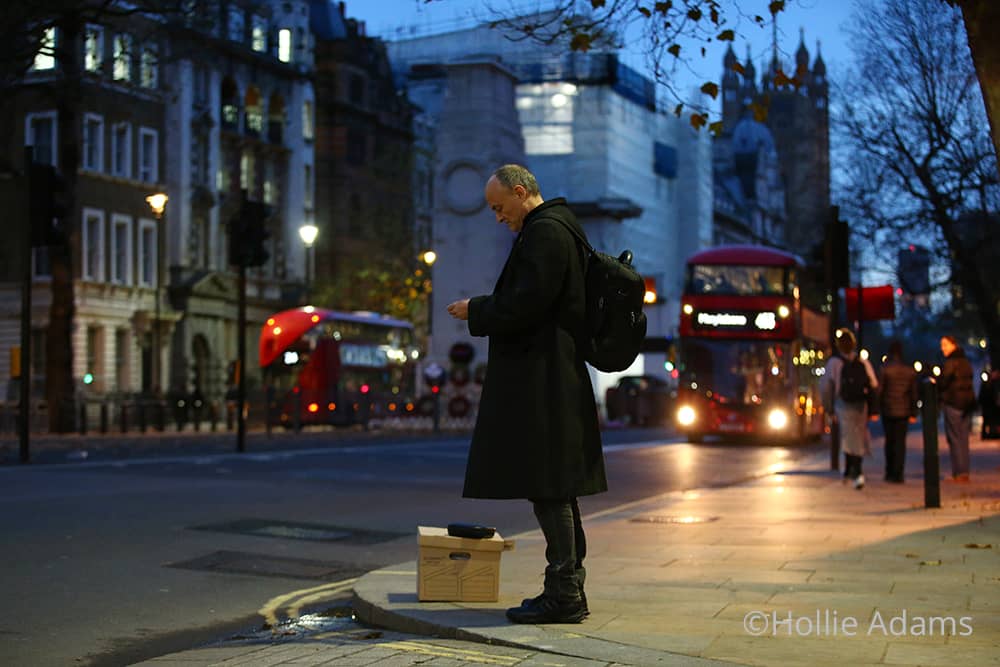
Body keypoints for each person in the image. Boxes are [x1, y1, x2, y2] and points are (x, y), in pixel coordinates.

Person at [446, 164, 606, 625]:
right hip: (554, 373)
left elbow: (526, 302)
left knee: (549, 487)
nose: (498, 217)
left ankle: (564, 594)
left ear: (520, 193)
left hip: (544, 378)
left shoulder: (546, 233)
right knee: (558, 487)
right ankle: (567, 587)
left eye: (499, 207)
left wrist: (475, 309)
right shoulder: (560, 229)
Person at [821, 328, 878, 489]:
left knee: (846, 436)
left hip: (842, 403)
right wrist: (873, 408)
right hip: (861, 404)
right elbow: (873, 384)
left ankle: (848, 470)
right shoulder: (862, 362)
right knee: (859, 435)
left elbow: (825, 387)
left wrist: (829, 408)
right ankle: (857, 469)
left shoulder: (834, 363)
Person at [878, 340, 918, 483]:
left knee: (889, 441)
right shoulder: (909, 371)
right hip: (904, 410)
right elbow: (913, 394)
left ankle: (889, 472)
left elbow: (880, 391)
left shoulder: (885, 370)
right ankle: (899, 473)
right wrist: (913, 413)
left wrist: (876, 409)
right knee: (901, 442)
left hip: (888, 410)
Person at [938, 335, 976, 482]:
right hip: (967, 404)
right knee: (963, 438)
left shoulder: (951, 363)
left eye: (945, 345)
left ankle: (959, 472)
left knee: (954, 438)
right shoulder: (965, 362)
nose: (943, 348)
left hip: (953, 403)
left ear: (953, 345)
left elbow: (943, 382)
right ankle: (964, 471)